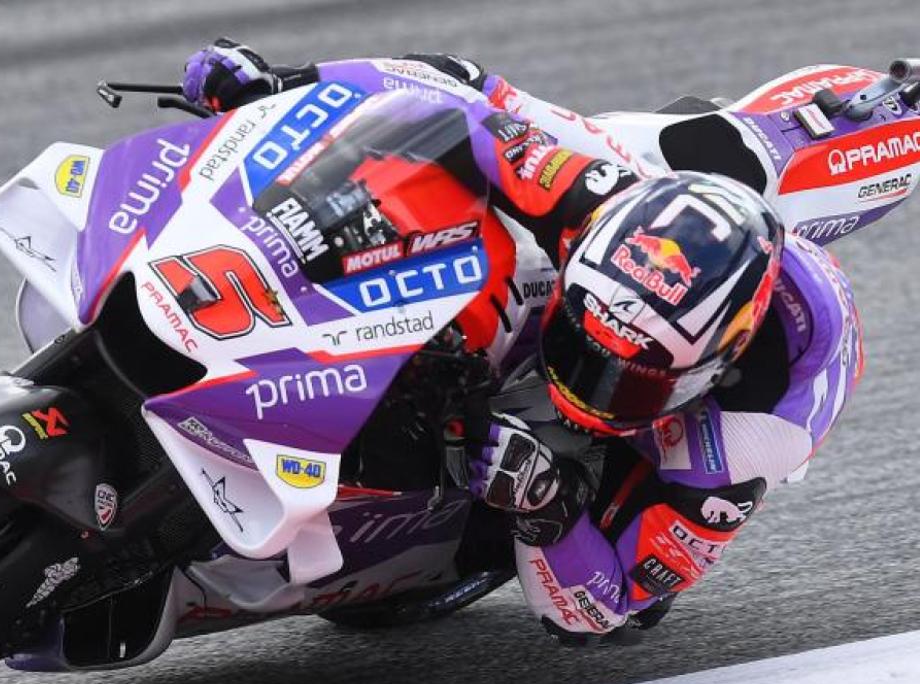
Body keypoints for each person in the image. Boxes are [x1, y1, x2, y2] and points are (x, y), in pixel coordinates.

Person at [181, 40, 865, 644]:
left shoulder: (753, 432)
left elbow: (600, 609)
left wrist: (547, 505)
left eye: (627, 381)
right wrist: (284, 85)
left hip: (722, 404)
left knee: (629, 600)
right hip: (642, 190)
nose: (579, 388)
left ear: (712, 367)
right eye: (579, 346)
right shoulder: (588, 196)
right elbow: (448, 89)